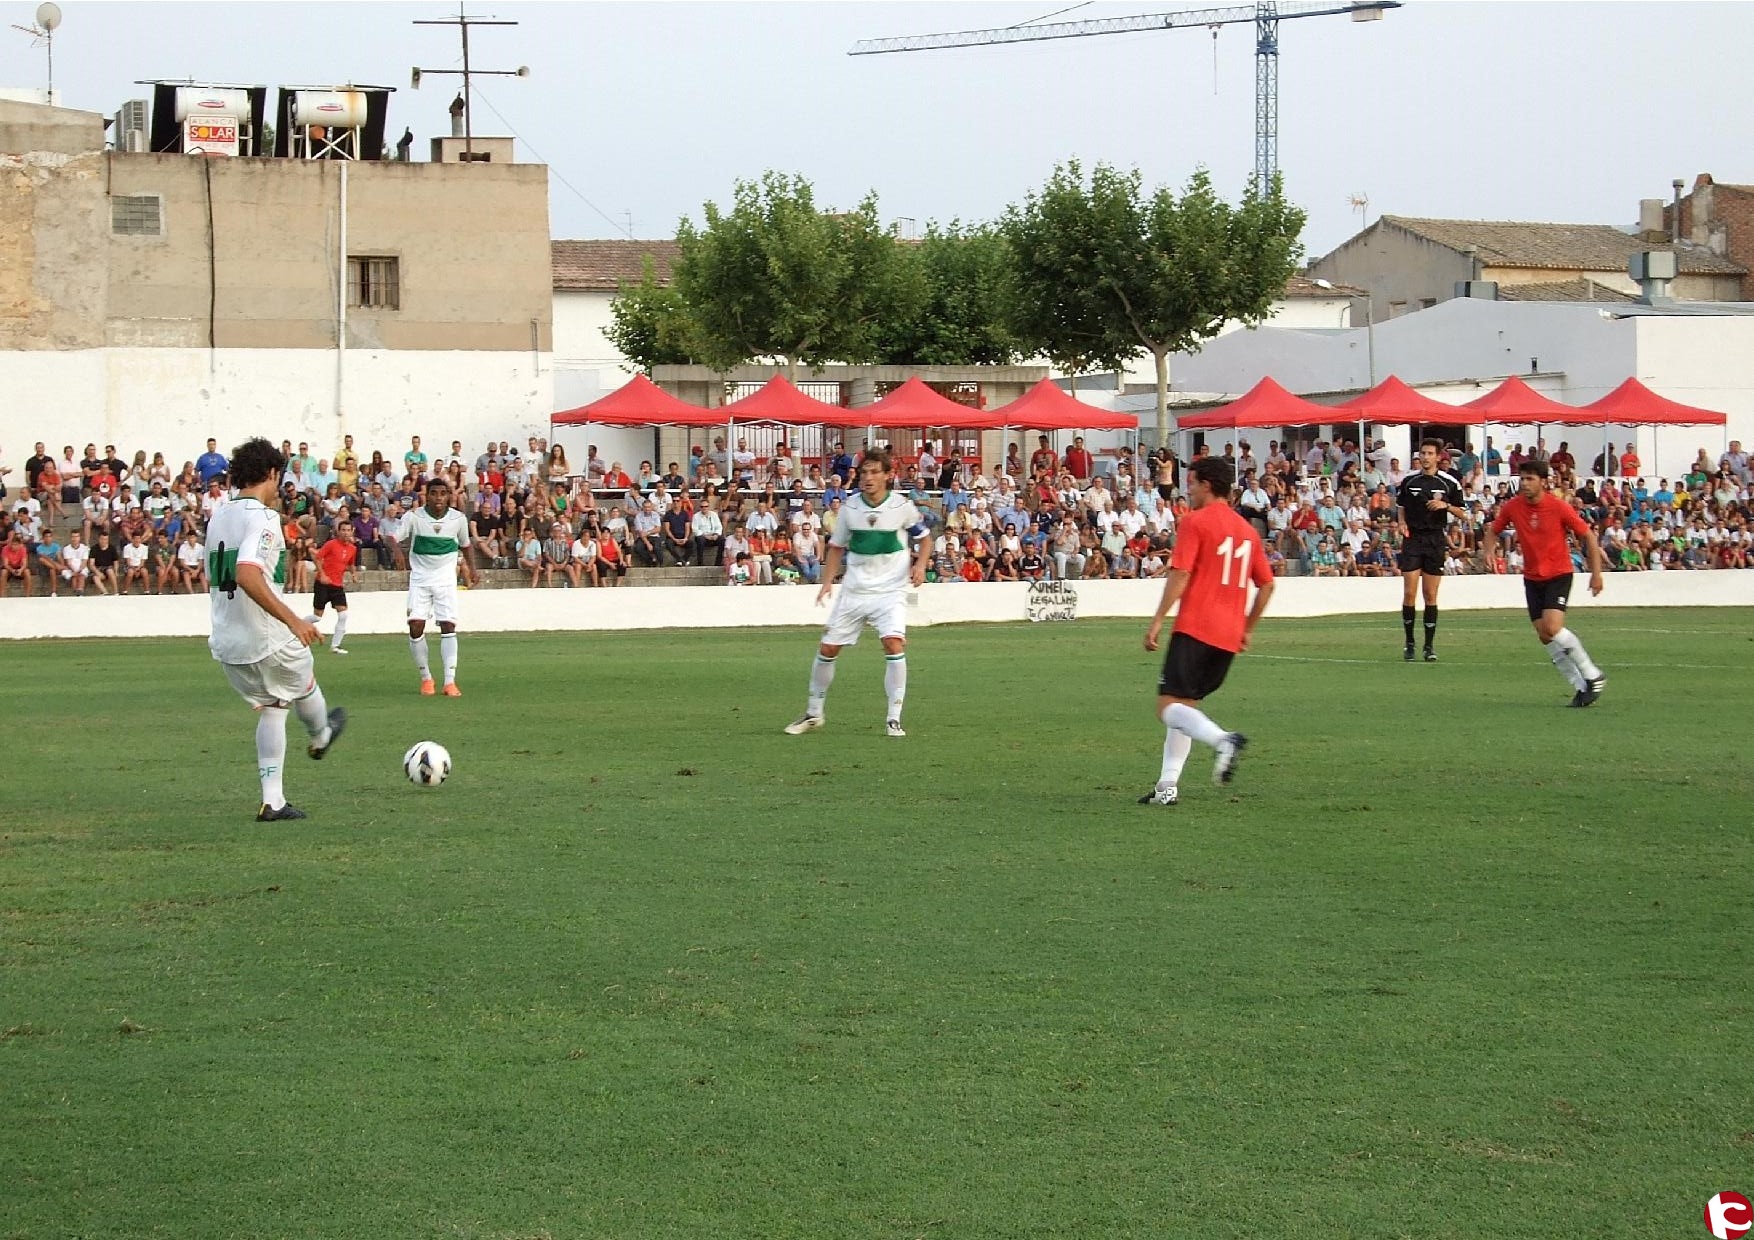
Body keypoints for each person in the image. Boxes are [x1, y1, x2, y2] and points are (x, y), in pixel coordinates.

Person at [204, 438, 346, 822]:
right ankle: (321, 735)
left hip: (228, 641)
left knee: (274, 706)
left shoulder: (218, 516)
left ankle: (273, 801)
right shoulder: (264, 518)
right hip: (266, 637)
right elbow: (247, 574)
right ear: (271, 473)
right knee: (304, 681)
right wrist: (293, 620)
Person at [1137, 458, 1273, 806]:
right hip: (1227, 637)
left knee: (1167, 708)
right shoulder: (1247, 531)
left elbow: (1180, 573)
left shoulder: (1195, 522)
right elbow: (1267, 584)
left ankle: (1223, 740)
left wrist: (1157, 620)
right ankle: (1167, 786)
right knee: (1185, 709)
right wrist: (1247, 629)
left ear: (1207, 485)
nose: (1189, 490)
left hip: (1196, 628)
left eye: (1193, 483)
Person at [784, 448, 931, 738]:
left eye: (875, 472)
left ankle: (893, 719)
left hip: (890, 592)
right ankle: (814, 713)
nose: (868, 478)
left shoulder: (902, 506)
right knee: (828, 649)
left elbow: (925, 539)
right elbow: (837, 547)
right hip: (854, 591)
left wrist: (921, 565)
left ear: (888, 475)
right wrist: (827, 583)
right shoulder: (850, 508)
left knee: (893, 644)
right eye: (864, 472)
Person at [1481, 460, 1607, 707]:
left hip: (1558, 574)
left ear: (1543, 482)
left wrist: (1596, 574)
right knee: (1544, 636)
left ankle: (1592, 674)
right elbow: (1493, 531)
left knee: (1552, 627)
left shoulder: (1558, 507)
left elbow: (1589, 536)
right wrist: (1488, 551)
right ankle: (1581, 687)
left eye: (1530, 479)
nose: (1525, 483)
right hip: (1532, 577)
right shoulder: (1513, 506)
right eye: (1522, 478)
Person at [401, 477, 476, 697]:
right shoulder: (414, 517)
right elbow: (392, 536)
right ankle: (426, 678)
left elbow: (466, 545)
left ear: (449, 496)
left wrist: (473, 569)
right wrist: (396, 551)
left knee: (448, 626)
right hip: (420, 580)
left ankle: (449, 682)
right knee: (416, 626)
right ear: (427, 496)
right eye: (434, 493)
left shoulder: (458, 519)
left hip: (445, 581)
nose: (438, 498)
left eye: (443, 493)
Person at [1395, 438, 1466, 662]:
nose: (1425, 457)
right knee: (1409, 592)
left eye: (1429, 454)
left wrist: (1446, 505)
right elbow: (1401, 507)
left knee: (1430, 595)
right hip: (1413, 539)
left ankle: (1429, 646)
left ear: (1438, 457)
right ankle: (1409, 643)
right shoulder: (1409, 481)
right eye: (1422, 453)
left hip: (1435, 539)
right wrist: (1401, 523)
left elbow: (1463, 513)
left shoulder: (1449, 482)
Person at [307, 519, 359, 654]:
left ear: (352, 531)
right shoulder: (331, 544)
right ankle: (296, 625)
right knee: (317, 617)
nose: (346, 533)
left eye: (348, 530)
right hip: (323, 584)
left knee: (343, 615)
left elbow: (351, 563)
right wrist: (322, 575)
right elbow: (317, 558)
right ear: (338, 531)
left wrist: (353, 574)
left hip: (337, 585)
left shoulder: (353, 548)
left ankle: (335, 646)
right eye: (343, 530)